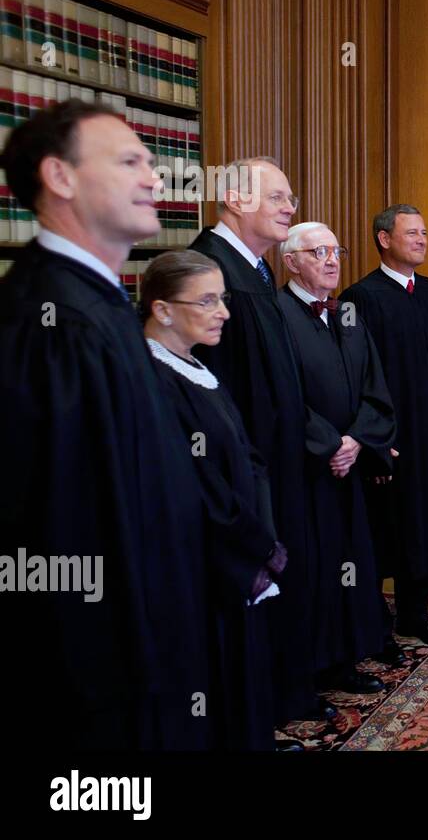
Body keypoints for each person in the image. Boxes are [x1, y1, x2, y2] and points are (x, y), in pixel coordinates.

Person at [0, 99, 209, 749]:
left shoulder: (99, 301)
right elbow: (60, 528)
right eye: (129, 162)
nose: (155, 177)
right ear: (60, 178)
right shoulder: (54, 320)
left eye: (152, 161)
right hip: (98, 680)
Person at [190, 157, 321, 724]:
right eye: (279, 198)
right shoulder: (211, 273)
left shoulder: (252, 271)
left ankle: (278, 699)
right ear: (239, 200)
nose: (291, 209)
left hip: (278, 463)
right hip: (244, 477)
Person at [141, 251, 284, 750]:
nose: (223, 311)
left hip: (240, 546)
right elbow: (197, 484)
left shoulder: (198, 366)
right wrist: (254, 540)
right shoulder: (154, 380)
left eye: (222, 298)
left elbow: (246, 455)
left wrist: (262, 532)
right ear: (161, 310)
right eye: (207, 300)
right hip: (204, 561)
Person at [340, 205, 428, 648]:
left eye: (425, 232)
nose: (422, 240)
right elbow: (354, 378)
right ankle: (373, 623)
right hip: (389, 440)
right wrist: (374, 440)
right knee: (386, 530)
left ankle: (415, 615)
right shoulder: (361, 297)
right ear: (384, 239)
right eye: (412, 233)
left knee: (425, 525)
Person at [278, 222, 395, 695]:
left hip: (351, 466)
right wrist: (330, 445)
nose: (331, 260)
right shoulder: (276, 315)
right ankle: (311, 668)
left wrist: (357, 441)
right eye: (317, 252)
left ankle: (345, 660)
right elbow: (280, 395)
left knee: (353, 562)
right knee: (316, 568)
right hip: (307, 469)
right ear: (290, 262)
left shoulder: (347, 312)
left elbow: (376, 387)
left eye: (336, 251)